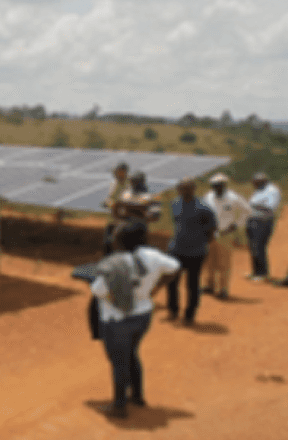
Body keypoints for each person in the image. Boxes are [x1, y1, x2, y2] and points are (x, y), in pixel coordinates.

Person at [90, 221, 180, 418]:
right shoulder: (152, 255)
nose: (112, 238)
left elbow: (98, 290)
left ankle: (119, 405)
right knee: (132, 354)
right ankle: (137, 396)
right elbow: (175, 267)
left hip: (117, 319)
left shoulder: (114, 263)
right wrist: (156, 288)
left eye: (115, 235)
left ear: (121, 240)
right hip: (143, 315)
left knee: (119, 361)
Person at [166, 177, 217, 325]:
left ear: (193, 189)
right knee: (171, 282)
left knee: (192, 284)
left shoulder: (203, 208)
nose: (183, 191)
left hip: (196, 252)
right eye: (181, 188)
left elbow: (212, 229)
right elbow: (177, 222)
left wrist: (202, 244)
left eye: (187, 188)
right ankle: (173, 310)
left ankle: (190, 315)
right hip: (176, 250)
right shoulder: (175, 203)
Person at [201, 173, 251, 299]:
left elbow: (247, 211)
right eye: (214, 186)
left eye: (218, 186)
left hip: (226, 234)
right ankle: (209, 286)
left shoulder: (234, 198)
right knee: (209, 261)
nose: (216, 188)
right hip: (210, 234)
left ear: (224, 185)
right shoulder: (208, 197)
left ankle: (223, 289)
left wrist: (236, 225)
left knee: (224, 262)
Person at [245, 172, 282, 282]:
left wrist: (253, 205)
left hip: (263, 221)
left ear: (263, 181)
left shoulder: (272, 190)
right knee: (252, 247)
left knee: (259, 246)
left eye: (256, 182)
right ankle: (255, 272)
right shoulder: (258, 190)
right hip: (252, 220)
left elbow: (271, 207)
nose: (254, 185)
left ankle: (262, 274)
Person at [101, 162, 131, 255]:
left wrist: (114, 203)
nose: (116, 174)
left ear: (124, 172)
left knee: (121, 243)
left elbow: (127, 200)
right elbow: (110, 197)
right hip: (113, 218)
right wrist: (107, 202)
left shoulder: (130, 184)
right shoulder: (114, 183)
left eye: (118, 172)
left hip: (124, 219)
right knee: (107, 243)